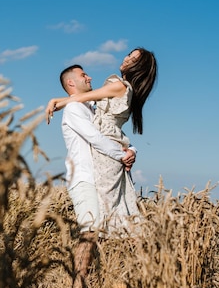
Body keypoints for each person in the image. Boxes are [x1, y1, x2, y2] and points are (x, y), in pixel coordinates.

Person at [48, 48, 157, 239]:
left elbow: (83, 100)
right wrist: (130, 150)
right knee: (113, 212)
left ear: (138, 67)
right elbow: (110, 126)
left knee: (108, 215)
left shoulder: (119, 86)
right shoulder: (118, 92)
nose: (126, 58)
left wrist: (56, 100)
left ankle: (119, 256)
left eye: (133, 59)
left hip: (107, 153)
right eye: (129, 55)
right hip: (110, 149)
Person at [54, 64, 137, 288]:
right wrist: (123, 155)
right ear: (72, 83)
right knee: (90, 231)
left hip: (98, 178)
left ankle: (94, 285)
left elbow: (112, 132)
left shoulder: (88, 107)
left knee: (99, 233)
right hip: (83, 178)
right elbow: (96, 138)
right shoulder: (74, 110)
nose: (89, 77)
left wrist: (131, 149)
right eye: (83, 75)